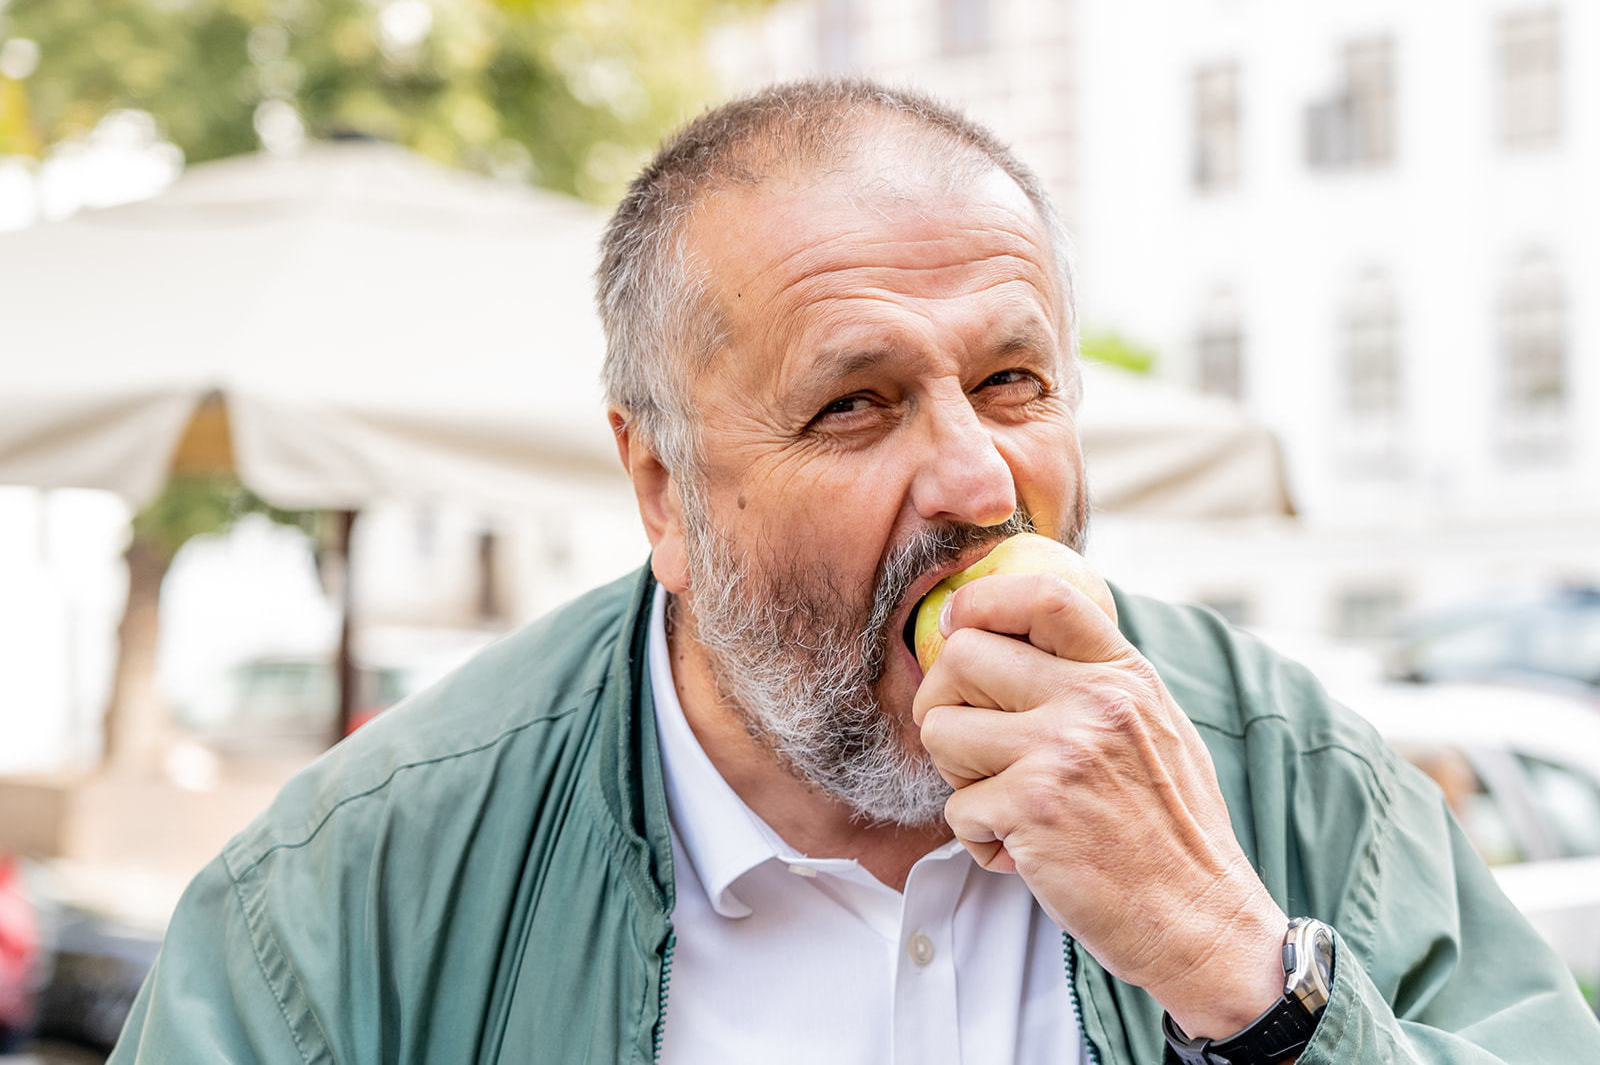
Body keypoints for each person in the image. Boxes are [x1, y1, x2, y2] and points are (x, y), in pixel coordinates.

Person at [110, 80, 1599, 1064]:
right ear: (663, 490)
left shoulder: (1299, 775)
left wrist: (1245, 975)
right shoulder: (349, 890)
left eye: (1014, 381)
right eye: (854, 404)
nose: (975, 481)